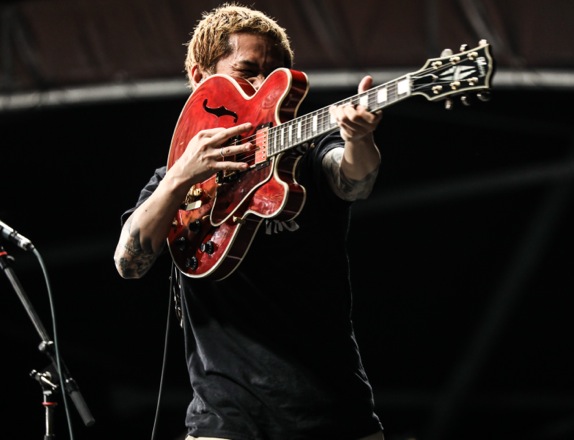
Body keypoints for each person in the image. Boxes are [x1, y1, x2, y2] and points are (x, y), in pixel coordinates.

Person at [114, 2, 385, 439]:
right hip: (225, 421)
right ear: (201, 77)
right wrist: (180, 177)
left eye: (271, 74)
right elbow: (129, 262)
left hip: (335, 415)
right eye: (247, 71)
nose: (261, 85)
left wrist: (360, 139)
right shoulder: (172, 182)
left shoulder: (308, 154)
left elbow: (355, 179)